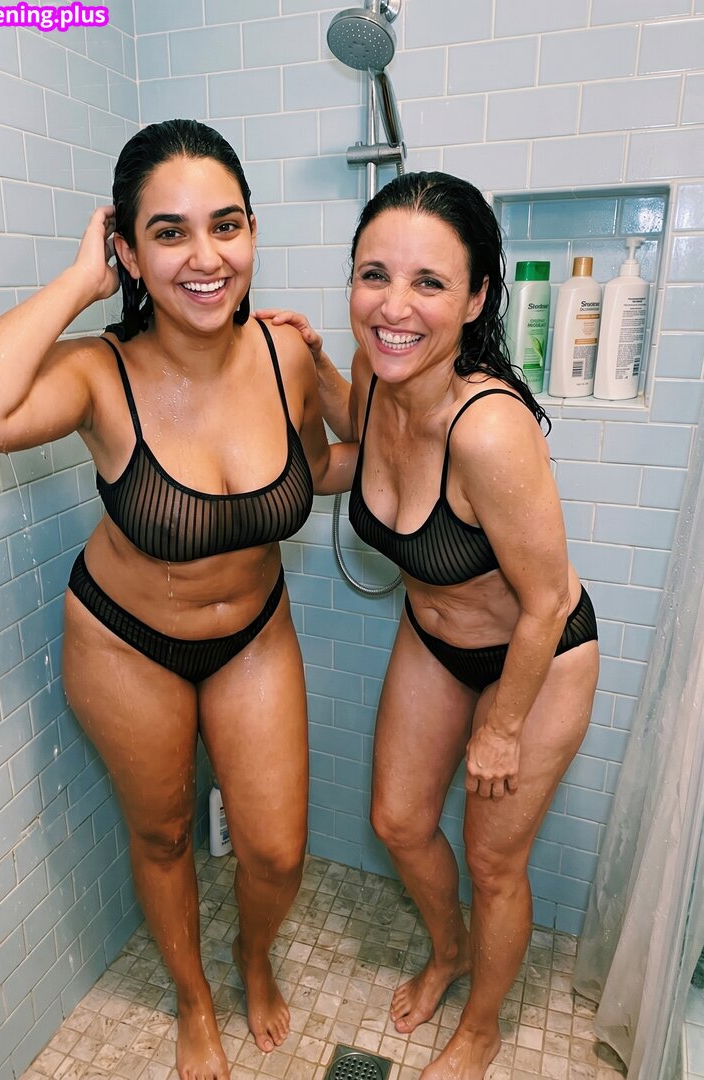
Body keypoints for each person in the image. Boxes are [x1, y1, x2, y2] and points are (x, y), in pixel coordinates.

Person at [0, 119, 356, 1080]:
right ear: (128, 250)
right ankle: (193, 1000)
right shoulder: (98, 372)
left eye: (226, 225)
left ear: (253, 233)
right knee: (161, 833)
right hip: (126, 644)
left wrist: (335, 377)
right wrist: (81, 283)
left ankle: (251, 956)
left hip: (253, 634)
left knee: (276, 852)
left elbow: (328, 466)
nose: (206, 257)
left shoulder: (284, 357)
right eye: (169, 232)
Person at [260, 171, 599, 1080]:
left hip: (536, 655)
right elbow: (346, 445)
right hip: (435, 635)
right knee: (400, 820)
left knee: (494, 863)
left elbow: (546, 601)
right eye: (374, 275)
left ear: (477, 297)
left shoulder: (488, 429)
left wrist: (502, 727)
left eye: (429, 283)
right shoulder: (379, 375)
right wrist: (309, 364)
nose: (394, 306)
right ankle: (449, 952)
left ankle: (481, 1030)